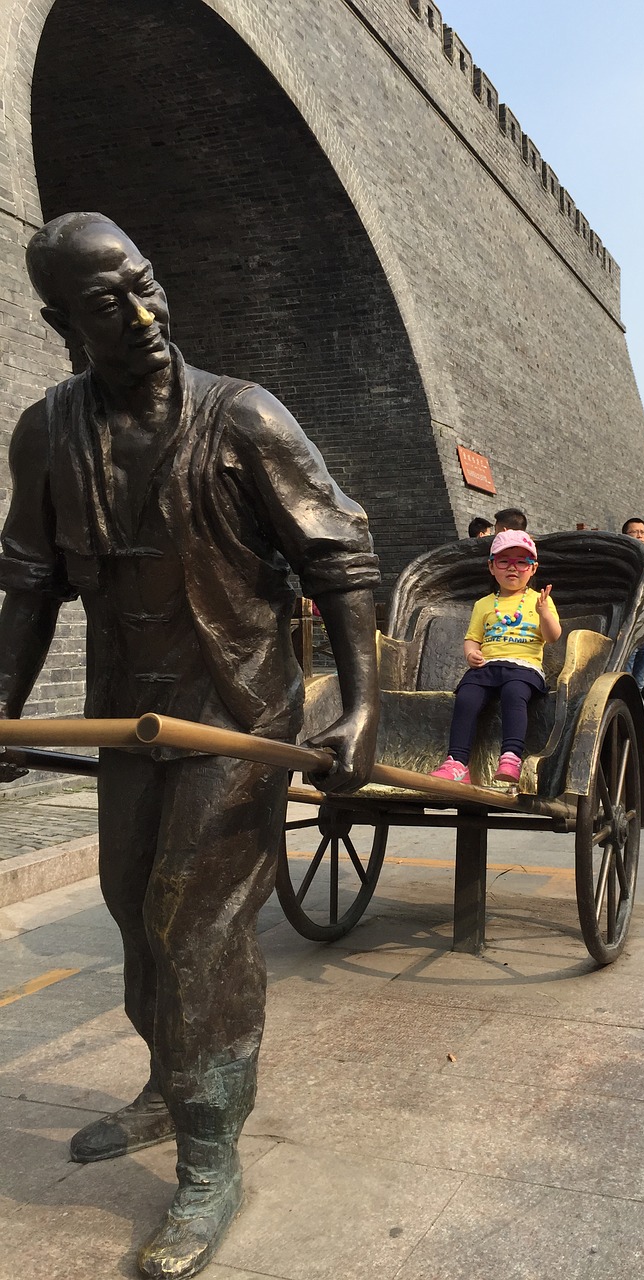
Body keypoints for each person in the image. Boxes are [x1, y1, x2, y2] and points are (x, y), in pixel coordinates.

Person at [0, 213, 380, 1279]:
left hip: (238, 717)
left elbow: (341, 561)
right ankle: (170, 1084)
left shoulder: (243, 416)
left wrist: (358, 708)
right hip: (133, 716)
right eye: (109, 302)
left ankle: (210, 1153)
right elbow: (27, 585)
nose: (145, 314)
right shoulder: (48, 433)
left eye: (147, 283)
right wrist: (7, 709)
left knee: (192, 921)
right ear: (58, 321)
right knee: (132, 905)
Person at [431, 529, 560, 784]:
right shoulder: (484, 604)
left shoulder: (540, 600)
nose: (513, 568)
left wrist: (544, 613)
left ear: (533, 569)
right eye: (504, 561)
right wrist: (471, 653)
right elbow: (472, 638)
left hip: (524, 667)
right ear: (492, 567)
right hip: (487, 667)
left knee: (514, 693)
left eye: (522, 561)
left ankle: (511, 758)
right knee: (466, 697)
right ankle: (457, 762)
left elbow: (553, 636)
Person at [621, 517, 644, 742]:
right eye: (633, 532)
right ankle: (625, 730)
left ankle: (637, 733)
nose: (639, 535)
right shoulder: (626, 566)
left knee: (640, 683)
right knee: (626, 681)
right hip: (630, 634)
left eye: (642, 532)